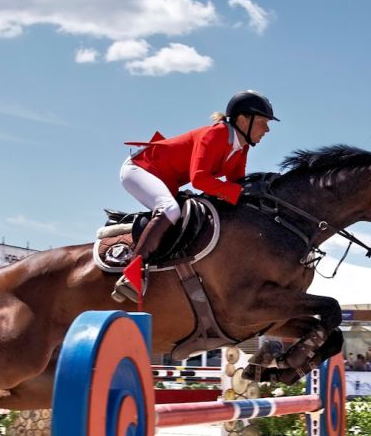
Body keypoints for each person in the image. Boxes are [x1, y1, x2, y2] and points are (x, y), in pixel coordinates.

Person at [111, 90, 279, 303]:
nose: (267, 129)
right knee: (170, 209)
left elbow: (235, 186)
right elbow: (199, 179)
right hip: (141, 168)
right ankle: (132, 273)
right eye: (263, 122)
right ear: (243, 120)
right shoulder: (215, 134)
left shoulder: (241, 149)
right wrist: (239, 193)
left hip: (167, 181)